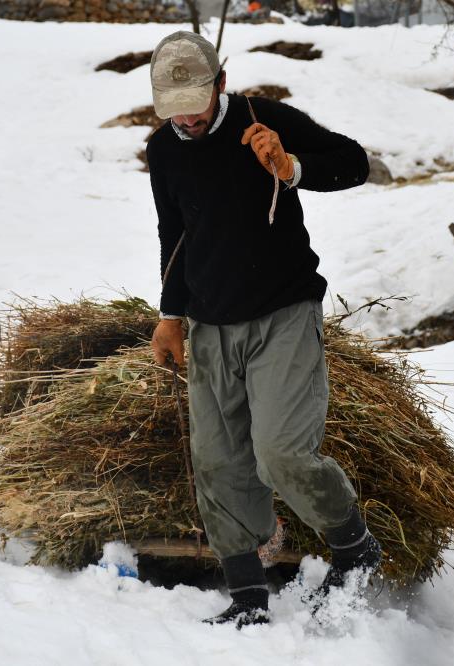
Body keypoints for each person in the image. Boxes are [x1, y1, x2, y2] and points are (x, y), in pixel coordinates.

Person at [146, 30, 380, 629]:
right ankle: (248, 593)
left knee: (279, 452)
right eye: (173, 111)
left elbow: (355, 164)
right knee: (219, 461)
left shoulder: (264, 120)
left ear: (220, 84)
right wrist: (171, 315)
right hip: (209, 322)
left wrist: (292, 166)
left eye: (195, 106)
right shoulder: (164, 150)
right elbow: (174, 235)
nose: (187, 121)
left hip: (282, 311)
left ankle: (355, 547)